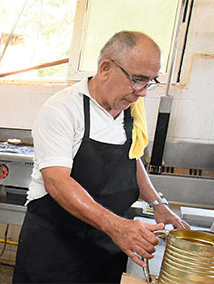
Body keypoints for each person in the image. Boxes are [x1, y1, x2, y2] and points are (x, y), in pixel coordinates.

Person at [12, 31, 190, 283]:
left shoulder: (129, 109)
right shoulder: (63, 109)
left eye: (150, 81)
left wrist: (158, 203)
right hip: (55, 247)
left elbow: (132, 158)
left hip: (105, 247)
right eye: (137, 80)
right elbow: (56, 182)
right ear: (105, 68)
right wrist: (117, 227)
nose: (143, 92)